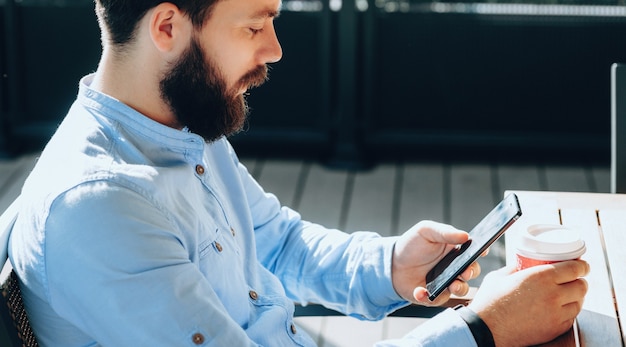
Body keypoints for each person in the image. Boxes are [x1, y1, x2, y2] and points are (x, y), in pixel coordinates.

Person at [7, 0, 589, 346]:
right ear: (167, 27)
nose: (276, 49)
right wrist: (482, 331)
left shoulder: (181, 125)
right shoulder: (101, 207)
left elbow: (279, 244)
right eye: (255, 26)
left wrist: (390, 265)